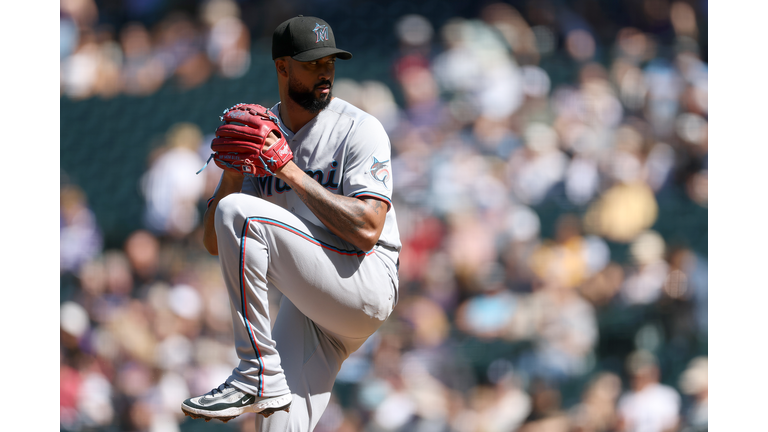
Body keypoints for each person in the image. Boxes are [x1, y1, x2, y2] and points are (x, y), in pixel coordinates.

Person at [180, 15, 402, 432]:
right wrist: (230, 175)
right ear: (283, 67)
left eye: (330, 62)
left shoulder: (359, 128)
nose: (325, 72)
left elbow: (369, 229)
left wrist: (288, 171)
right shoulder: (261, 132)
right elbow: (214, 243)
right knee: (278, 425)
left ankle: (254, 371)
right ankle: (263, 376)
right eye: (313, 62)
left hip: (363, 277)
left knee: (238, 213)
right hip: (312, 304)